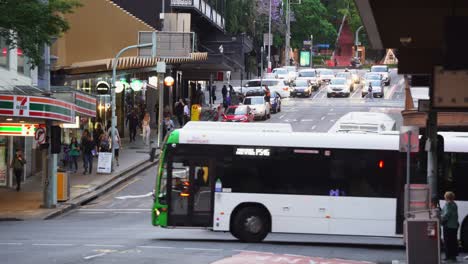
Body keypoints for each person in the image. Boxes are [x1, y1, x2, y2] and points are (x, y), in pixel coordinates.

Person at [441, 191, 459, 262]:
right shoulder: (454, 204)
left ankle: (448, 256)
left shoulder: (448, 204)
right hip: (454, 225)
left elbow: (447, 214)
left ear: (446, 197)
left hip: (448, 225)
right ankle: (453, 256)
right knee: (453, 241)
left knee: (447, 241)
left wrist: (441, 218)